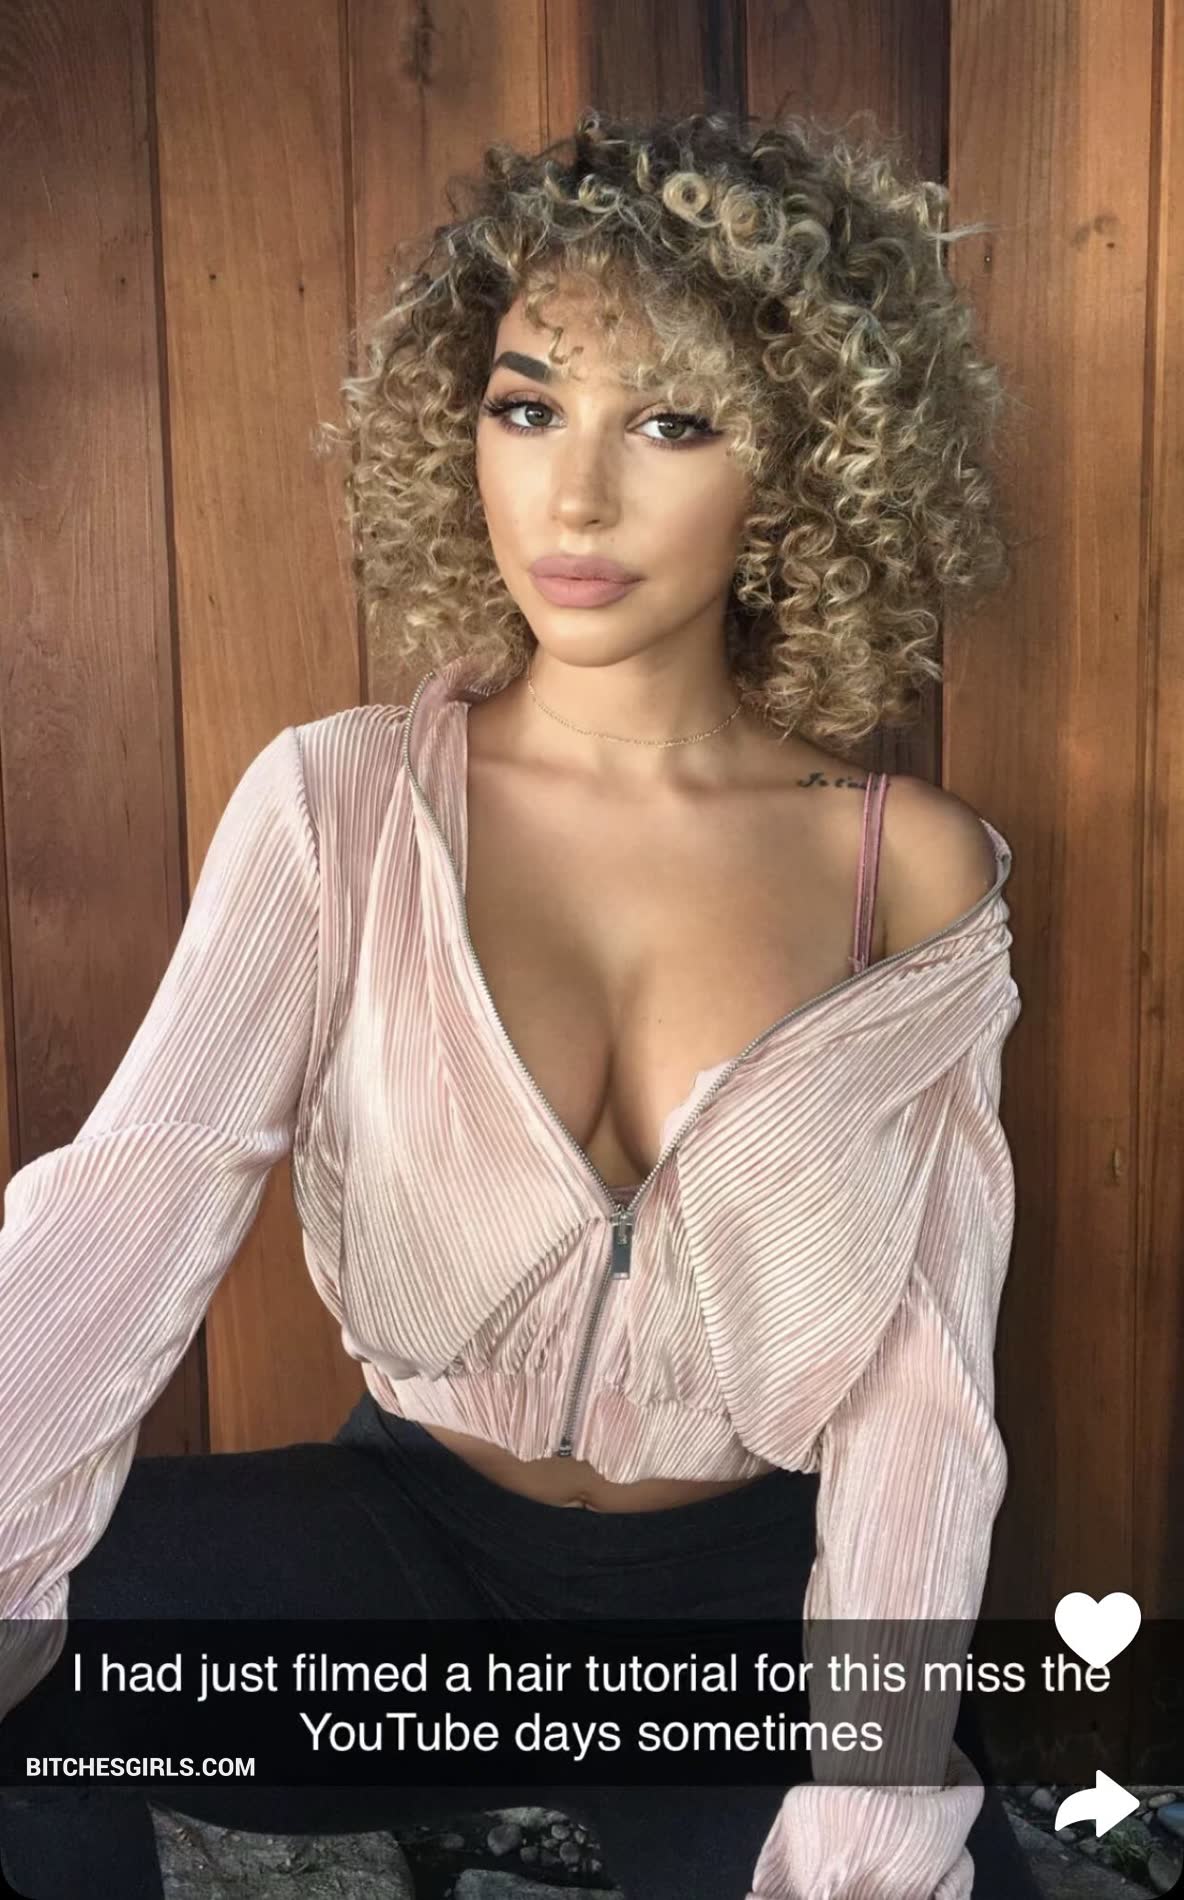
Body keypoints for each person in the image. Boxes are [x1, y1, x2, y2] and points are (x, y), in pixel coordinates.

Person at [0, 107, 1039, 1897]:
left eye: (675, 423)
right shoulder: (340, 806)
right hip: (400, 1555)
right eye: (530, 405)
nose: (574, 498)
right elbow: (134, 1198)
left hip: (738, 1610)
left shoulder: (906, 870)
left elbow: (921, 1402)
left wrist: (867, 1807)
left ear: (806, 464)